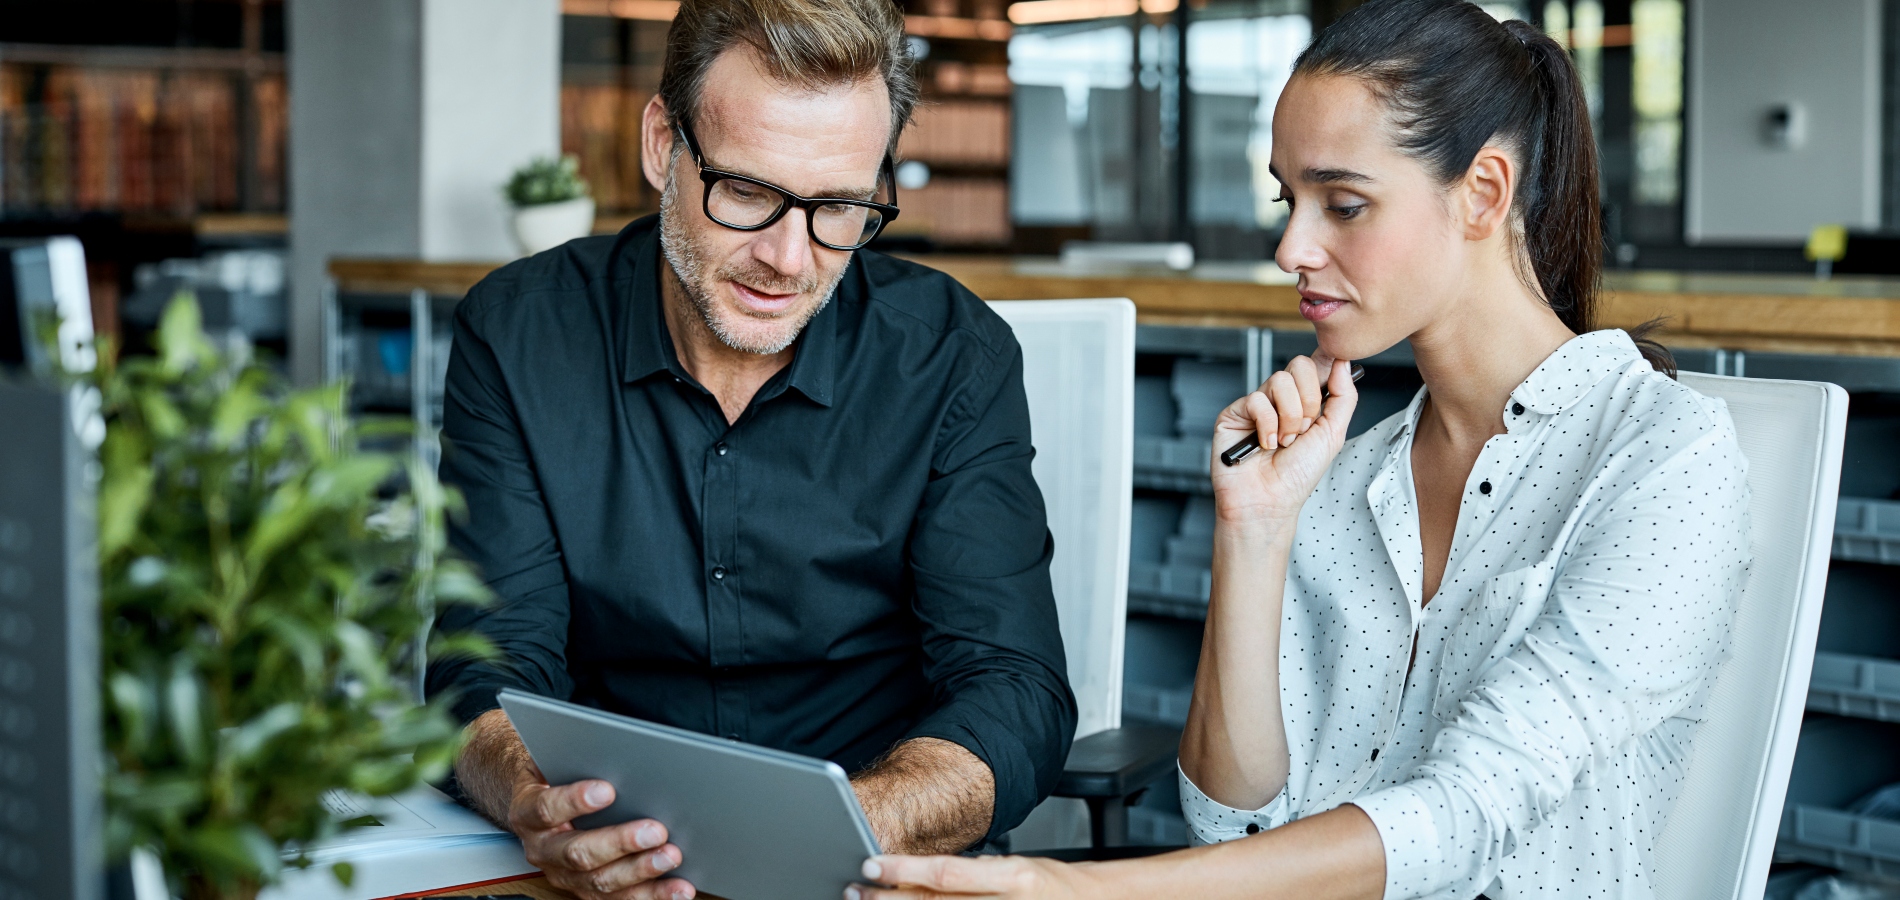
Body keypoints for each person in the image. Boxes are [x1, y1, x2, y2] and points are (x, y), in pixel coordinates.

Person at [849, 1, 1750, 898]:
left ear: (1483, 192)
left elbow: (1469, 813)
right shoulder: (1349, 473)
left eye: (1344, 204)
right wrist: (1254, 530)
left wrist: (1080, 891)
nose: (1291, 247)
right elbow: (1231, 818)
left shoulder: (1667, 460)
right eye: (1290, 199)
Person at [424, 2, 1077, 898]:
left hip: (871, 867)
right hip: (604, 868)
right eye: (747, 192)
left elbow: (1012, 689)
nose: (788, 257)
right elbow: (484, 665)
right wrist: (541, 801)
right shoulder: (519, 334)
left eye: (840, 206)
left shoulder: (952, 357)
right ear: (663, 145)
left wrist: (840, 829)